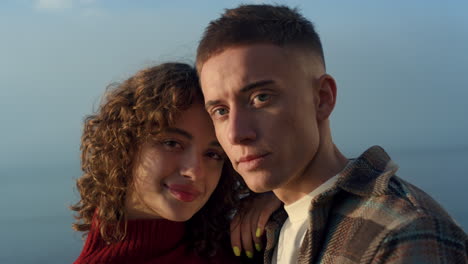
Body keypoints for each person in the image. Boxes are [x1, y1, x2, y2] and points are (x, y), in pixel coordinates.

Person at [196, 4, 468, 263]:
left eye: (261, 97)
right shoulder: (271, 226)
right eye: (220, 111)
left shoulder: (403, 232)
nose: (235, 133)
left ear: (322, 98)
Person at [71, 62, 264, 263]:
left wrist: (285, 198)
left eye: (213, 154)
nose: (194, 172)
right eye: (172, 143)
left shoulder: (238, 242)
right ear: (124, 144)